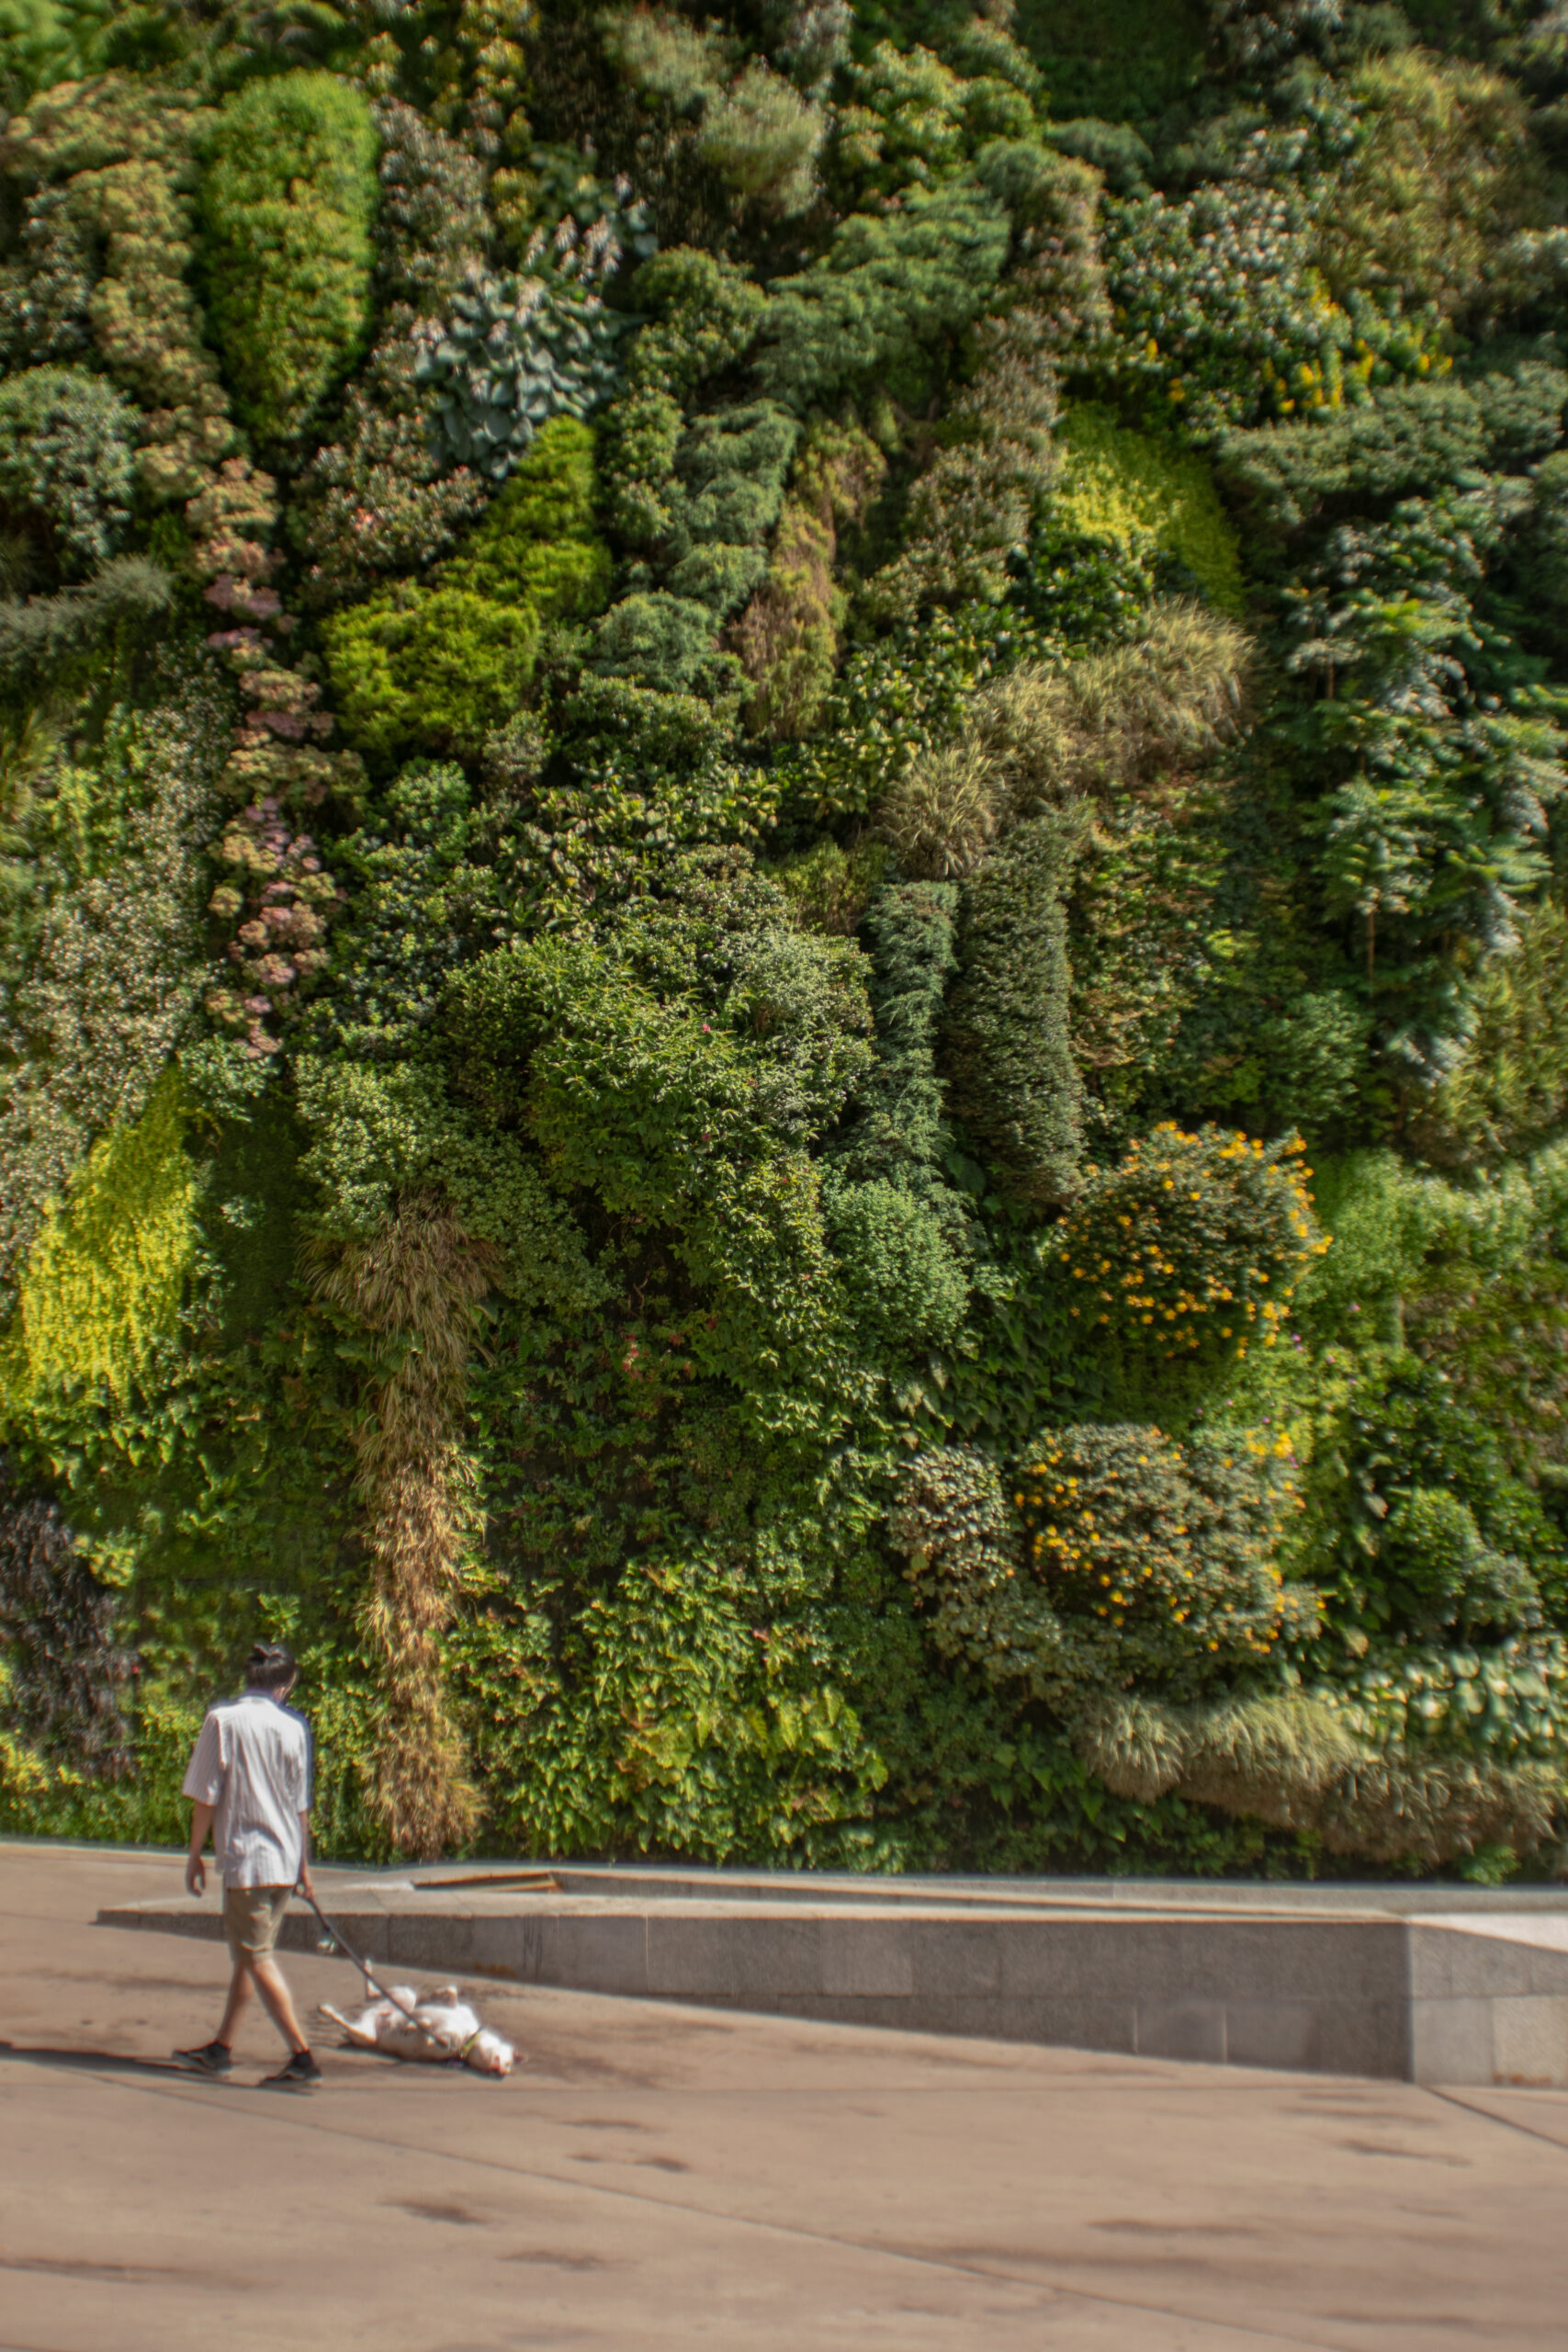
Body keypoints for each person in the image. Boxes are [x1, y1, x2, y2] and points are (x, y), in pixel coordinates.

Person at [174, 1641, 321, 2086]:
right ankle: (221, 2048)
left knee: (255, 1957)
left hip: (249, 1863)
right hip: (281, 1861)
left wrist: (195, 1853)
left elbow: (205, 1794)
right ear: (286, 1683)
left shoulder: (223, 1720)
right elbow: (300, 1803)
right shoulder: (293, 1728)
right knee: (248, 1954)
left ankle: (302, 2058)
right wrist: (304, 1868)